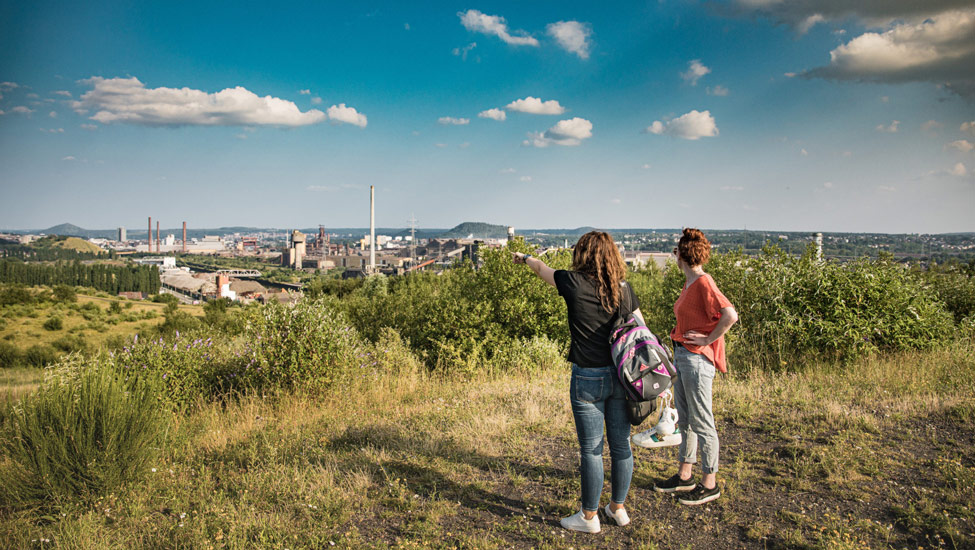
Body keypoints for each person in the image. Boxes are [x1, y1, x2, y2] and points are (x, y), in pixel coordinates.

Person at [512, 231, 641, 533]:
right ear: (612, 255)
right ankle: (618, 509)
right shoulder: (624, 289)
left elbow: (542, 269)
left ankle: (588, 518)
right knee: (621, 445)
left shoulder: (572, 283)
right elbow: (641, 330)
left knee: (592, 450)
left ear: (582, 255)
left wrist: (525, 258)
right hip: (622, 377)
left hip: (588, 378)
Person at [653, 228, 738, 506]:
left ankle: (709, 483)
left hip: (697, 360)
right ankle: (685, 476)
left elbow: (730, 314)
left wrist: (708, 339)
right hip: (683, 358)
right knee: (686, 420)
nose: (674, 255)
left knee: (703, 421)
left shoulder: (703, 282)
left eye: (676, 251)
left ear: (681, 255)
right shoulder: (690, 283)